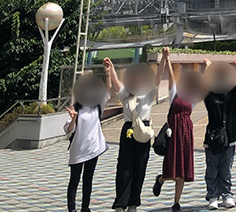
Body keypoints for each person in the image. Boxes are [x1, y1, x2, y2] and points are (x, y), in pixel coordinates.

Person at [106, 53, 167, 212]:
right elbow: (116, 85)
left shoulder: (149, 93)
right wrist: (111, 68)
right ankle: (120, 203)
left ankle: (133, 203)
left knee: (140, 167)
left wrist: (164, 58)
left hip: (144, 131)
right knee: (124, 167)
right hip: (129, 130)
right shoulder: (126, 94)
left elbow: (159, 77)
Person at [152, 48, 195, 212]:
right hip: (174, 132)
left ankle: (176, 202)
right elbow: (171, 76)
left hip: (186, 133)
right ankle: (161, 179)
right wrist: (167, 59)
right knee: (172, 168)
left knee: (183, 171)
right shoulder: (175, 93)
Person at [64, 70, 111, 212]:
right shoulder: (76, 108)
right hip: (78, 150)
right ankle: (72, 208)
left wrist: (108, 73)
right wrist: (73, 119)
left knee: (88, 178)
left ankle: (85, 207)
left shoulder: (97, 105)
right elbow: (68, 130)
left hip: (93, 148)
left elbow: (107, 91)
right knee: (74, 179)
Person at [203, 59, 236, 210]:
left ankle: (227, 195)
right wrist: (208, 68)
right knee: (212, 169)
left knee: (226, 168)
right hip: (213, 138)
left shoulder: (231, 95)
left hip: (230, 137)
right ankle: (213, 196)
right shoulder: (210, 95)